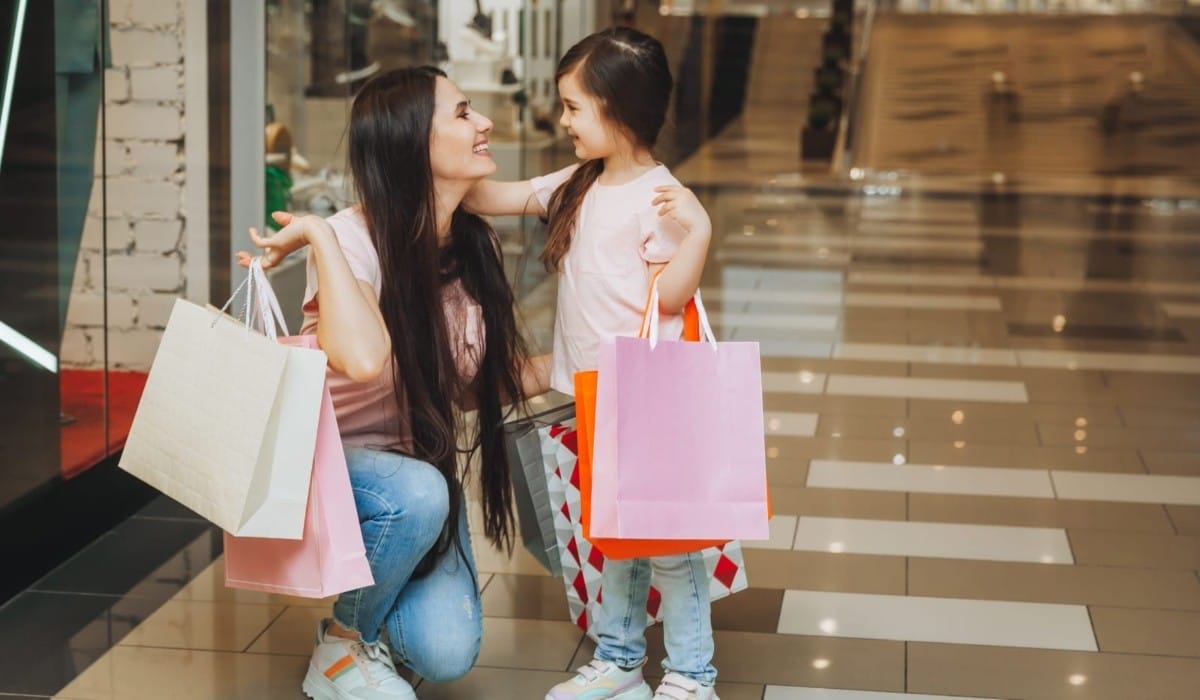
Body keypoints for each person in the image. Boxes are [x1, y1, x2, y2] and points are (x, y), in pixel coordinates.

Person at [239, 66, 551, 700]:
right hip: (327, 473)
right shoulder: (351, 241)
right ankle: (342, 647)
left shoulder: (474, 243)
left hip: (411, 481)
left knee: (446, 653)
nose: (484, 122)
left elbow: (467, 390)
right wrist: (321, 233)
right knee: (420, 491)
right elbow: (361, 358)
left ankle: (370, 628)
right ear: (414, 142)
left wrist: (577, 362)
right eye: (463, 113)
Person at [464, 26, 718, 700]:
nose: (564, 119)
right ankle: (621, 658)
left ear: (619, 107)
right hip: (592, 396)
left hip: (647, 400)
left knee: (666, 542)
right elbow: (494, 198)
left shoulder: (660, 197)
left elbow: (671, 295)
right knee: (612, 534)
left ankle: (693, 676)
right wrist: (441, 156)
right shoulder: (580, 182)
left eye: (575, 106)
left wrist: (700, 232)